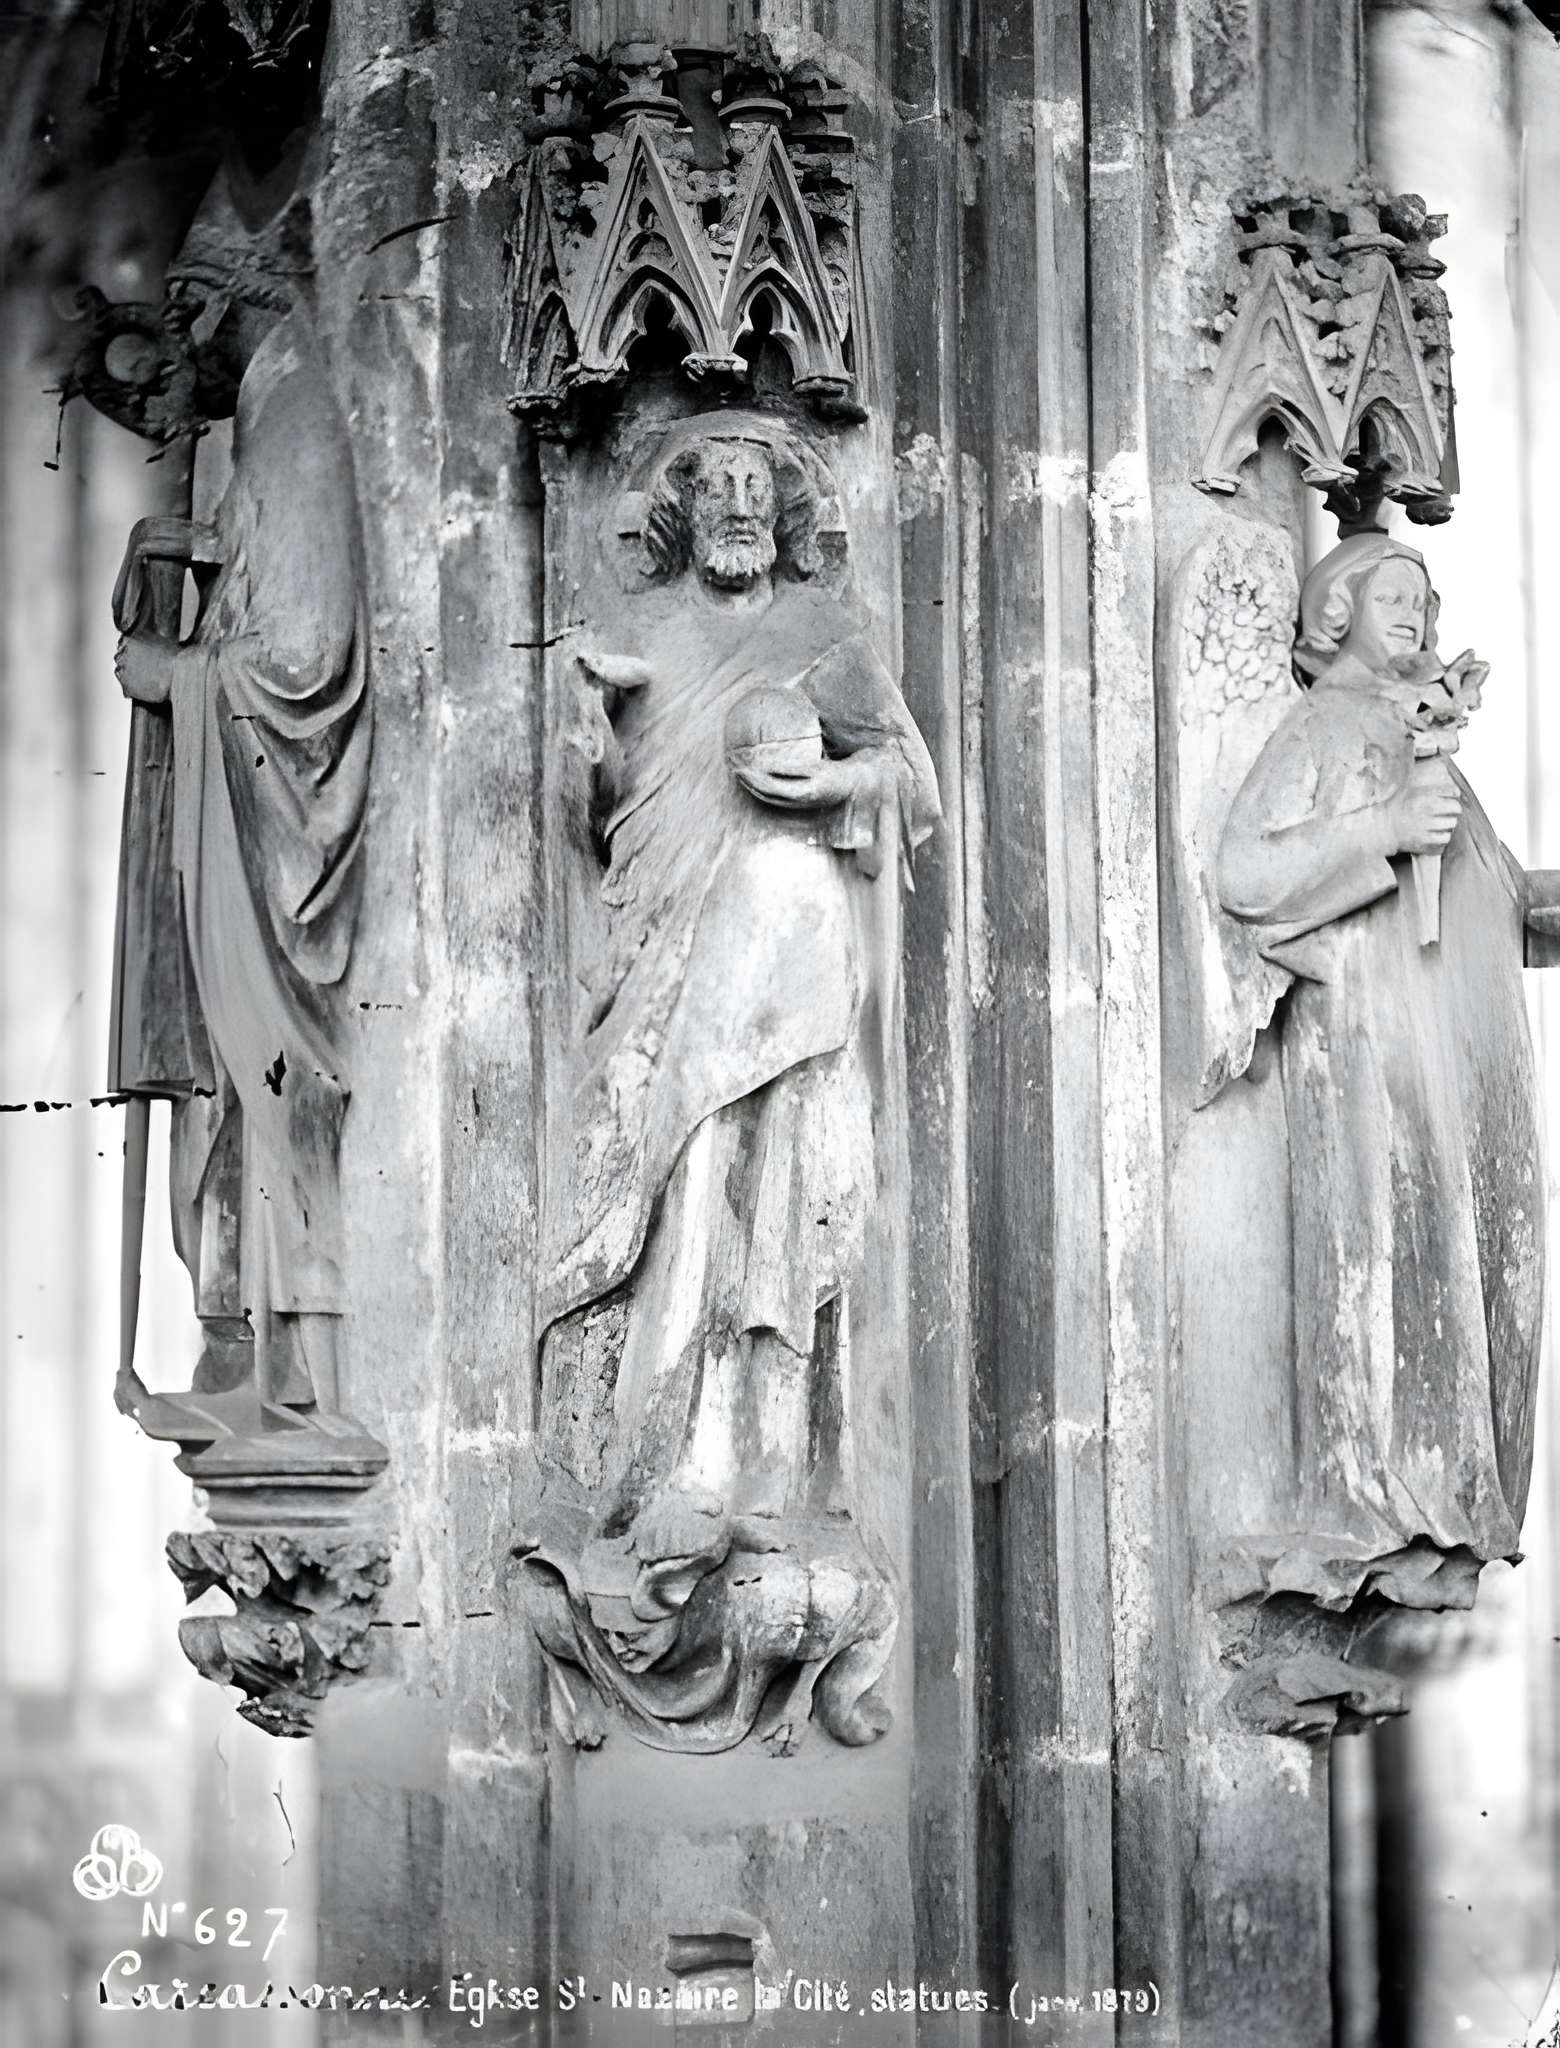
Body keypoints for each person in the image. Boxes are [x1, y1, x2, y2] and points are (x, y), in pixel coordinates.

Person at [521, 415, 939, 1747]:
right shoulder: (641, 645)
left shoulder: (826, 633)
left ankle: (755, 1464)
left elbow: (911, 785)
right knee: (677, 1201)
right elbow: (593, 823)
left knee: (774, 1200)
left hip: (787, 973)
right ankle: (661, 1468)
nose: (743, 507)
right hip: (664, 963)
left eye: (763, 489)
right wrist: (585, 727)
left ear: (786, 513)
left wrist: (829, 778)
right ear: (686, 515)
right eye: (720, 492)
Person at [1218, 531, 1543, 1609]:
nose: (1410, 609)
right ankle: (1376, 1503)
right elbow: (1246, 870)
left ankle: (1457, 1497)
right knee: (1393, 1247)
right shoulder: (1326, 724)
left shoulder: (1431, 739)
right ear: (1335, 612)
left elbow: (1483, 895)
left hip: (1467, 1049)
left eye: (1421, 593)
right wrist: (1388, 827)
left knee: (1480, 1252)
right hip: (1373, 1050)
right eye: (1386, 592)